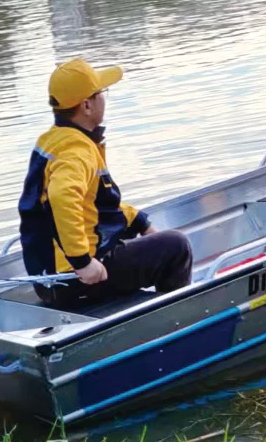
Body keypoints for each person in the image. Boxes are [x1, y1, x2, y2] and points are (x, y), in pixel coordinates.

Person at [18, 57, 194, 304]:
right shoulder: (76, 151)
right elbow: (62, 198)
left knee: (144, 240)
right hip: (73, 279)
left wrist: (139, 222)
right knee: (177, 246)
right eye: (101, 93)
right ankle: (176, 316)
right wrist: (82, 262)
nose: (104, 99)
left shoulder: (56, 140)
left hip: (52, 279)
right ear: (87, 105)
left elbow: (95, 205)